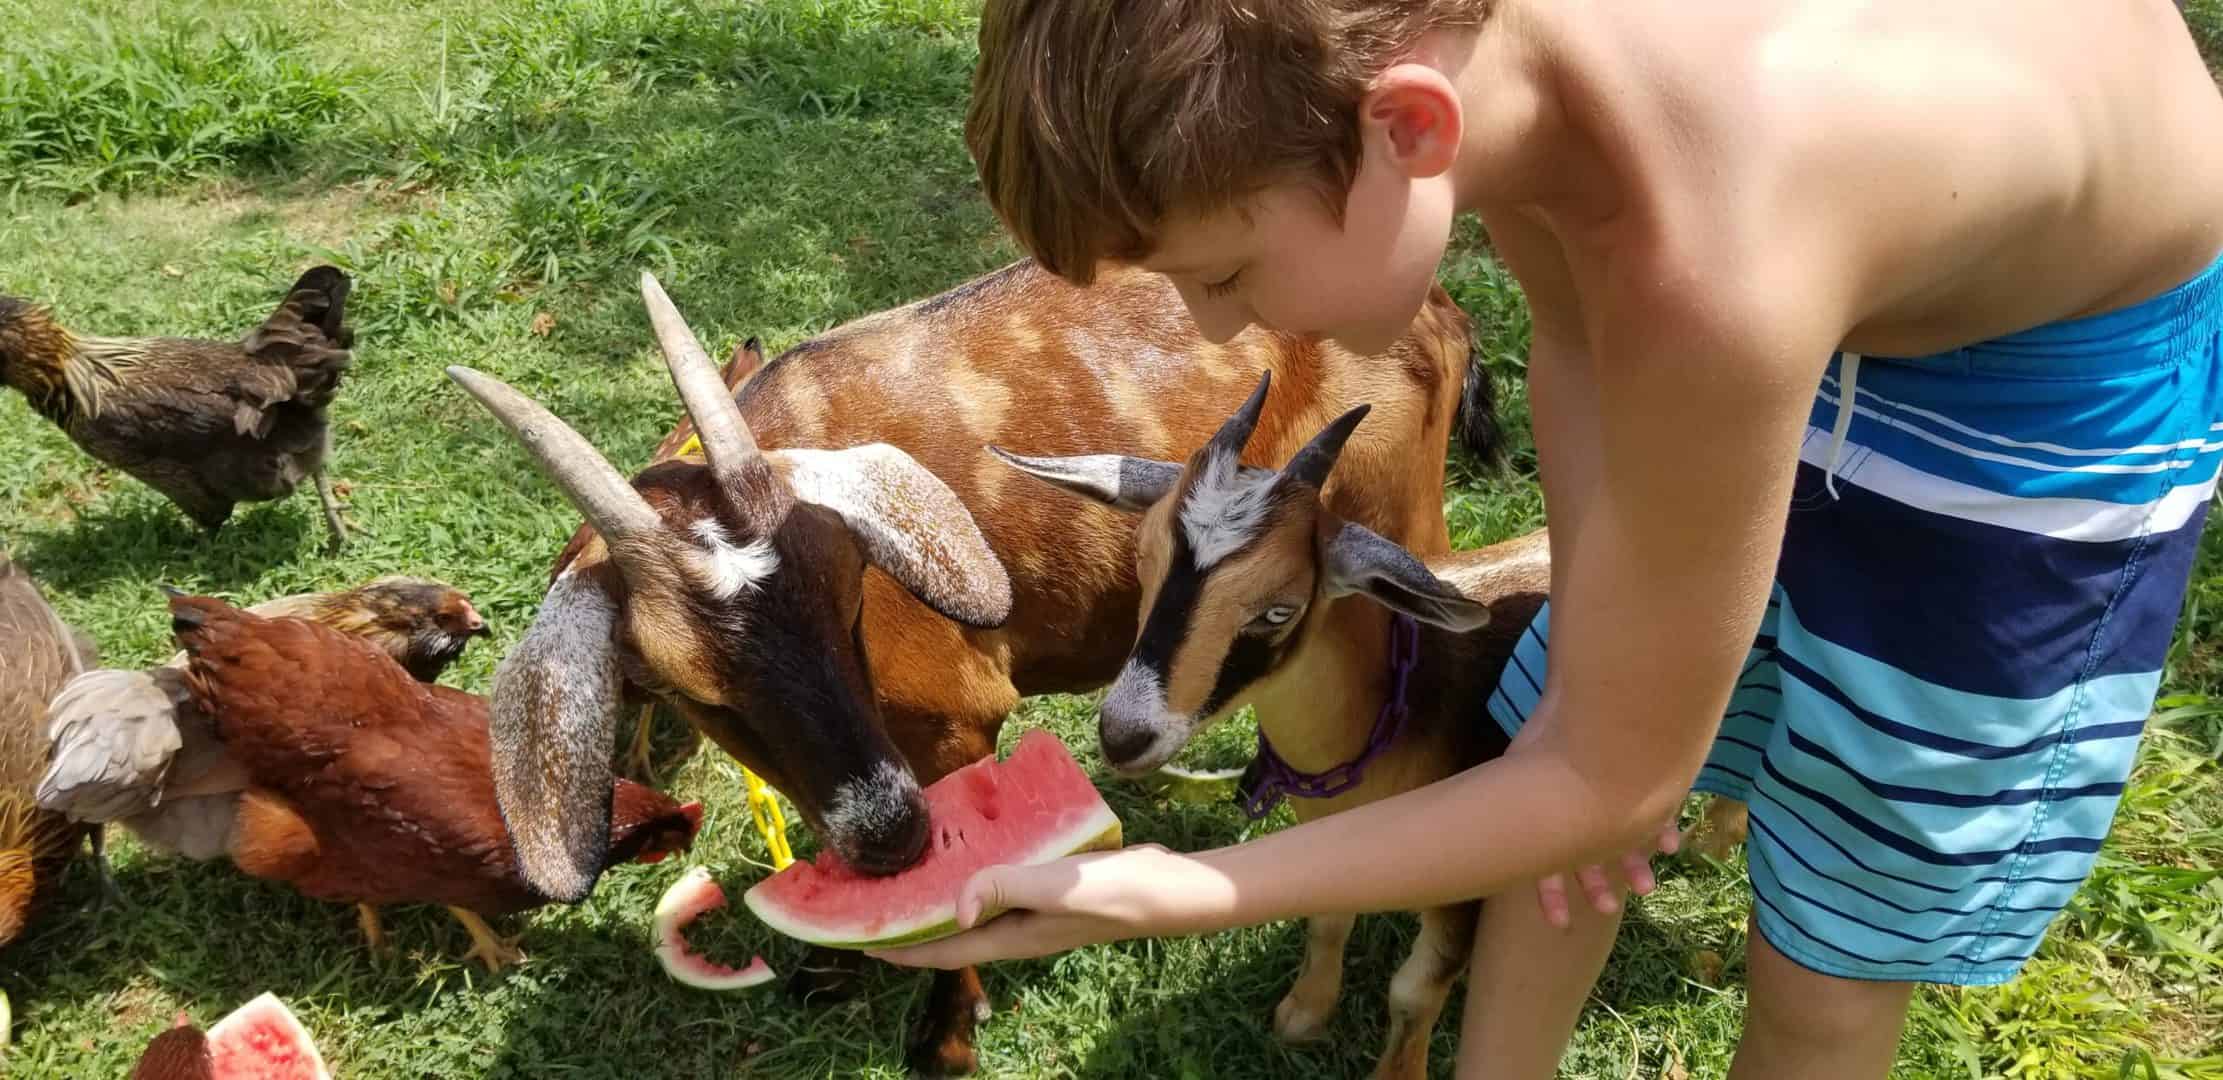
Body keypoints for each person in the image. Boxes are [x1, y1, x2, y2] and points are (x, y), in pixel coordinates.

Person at [872, 2, 2223, 1076]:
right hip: (1814, 252)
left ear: (1407, 129)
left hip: (2041, 401)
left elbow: (1614, 784)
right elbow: (1578, 347)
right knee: (1569, 738)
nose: (1219, 331)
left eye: (1221, 276)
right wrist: (1596, 707)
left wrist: (1192, 886)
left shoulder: (1712, 264)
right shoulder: (1497, 91)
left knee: (1829, 946)